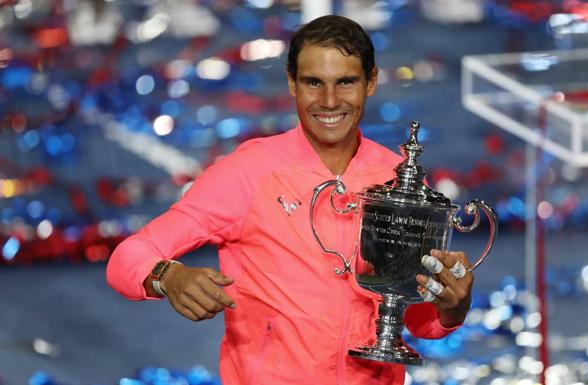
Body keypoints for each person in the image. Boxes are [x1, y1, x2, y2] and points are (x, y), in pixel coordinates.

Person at [107, 14, 473, 385]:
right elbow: (127, 258)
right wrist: (169, 276)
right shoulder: (249, 171)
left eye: (345, 82)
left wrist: (452, 306)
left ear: (371, 83)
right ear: (292, 84)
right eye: (314, 83)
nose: (329, 101)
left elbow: (413, 318)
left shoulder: (396, 177)